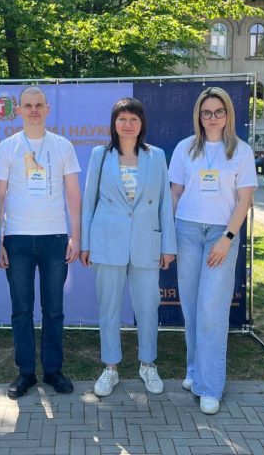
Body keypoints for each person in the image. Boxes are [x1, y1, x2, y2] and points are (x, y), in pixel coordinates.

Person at [168, 87, 257, 415]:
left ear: (228, 114)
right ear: (199, 116)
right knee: (192, 308)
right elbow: (175, 193)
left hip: (221, 235)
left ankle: (210, 386)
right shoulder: (184, 148)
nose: (212, 118)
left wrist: (227, 237)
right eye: (206, 113)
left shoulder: (241, 151)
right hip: (187, 231)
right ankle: (195, 371)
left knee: (211, 310)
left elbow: (245, 200)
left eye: (219, 112)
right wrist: (168, 237)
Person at [80, 97, 176, 397]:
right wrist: (85, 244)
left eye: (133, 118)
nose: (127, 124)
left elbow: (164, 204)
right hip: (107, 242)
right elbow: (88, 202)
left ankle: (148, 364)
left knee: (148, 306)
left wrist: (168, 245)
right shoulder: (100, 155)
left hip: (146, 242)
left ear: (142, 123)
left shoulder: (156, 156)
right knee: (108, 307)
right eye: (122, 119)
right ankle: (110, 368)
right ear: (114, 123)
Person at [0, 86, 81, 399]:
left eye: (38, 105)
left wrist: (75, 235)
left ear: (47, 109)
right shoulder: (7, 148)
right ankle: (26, 372)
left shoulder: (63, 146)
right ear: (18, 111)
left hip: (54, 238)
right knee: (21, 309)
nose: (33, 110)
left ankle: (53, 370)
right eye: (28, 105)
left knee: (54, 309)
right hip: (16, 238)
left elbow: (73, 195)